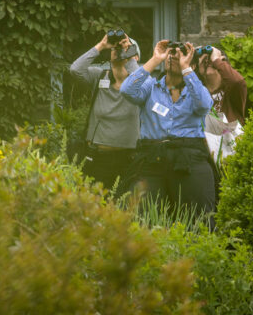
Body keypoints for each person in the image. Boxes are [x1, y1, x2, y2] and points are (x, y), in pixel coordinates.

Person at [120, 40, 215, 216]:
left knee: (197, 216)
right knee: (143, 216)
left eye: (180, 54)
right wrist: (156, 59)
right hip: (152, 158)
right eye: (171, 53)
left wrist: (186, 68)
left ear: (192, 65)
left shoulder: (196, 90)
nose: (173, 56)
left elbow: (203, 105)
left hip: (188, 158)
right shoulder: (151, 87)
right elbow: (127, 90)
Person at [69, 31, 140, 190]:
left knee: (126, 209)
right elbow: (75, 70)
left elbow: (143, 83)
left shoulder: (139, 85)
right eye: (116, 49)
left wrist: (129, 56)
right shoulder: (99, 76)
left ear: (135, 57)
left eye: (125, 49)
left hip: (129, 158)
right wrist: (101, 46)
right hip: (98, 157)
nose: (119, 51)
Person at [193, 45, 247, 164]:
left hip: (230, 153)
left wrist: (217, 60)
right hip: (202, 156)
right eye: (204, 60)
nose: (208, 62)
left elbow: (238, 81)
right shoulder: (196, 90)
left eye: (211, 60)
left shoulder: (231, 90)